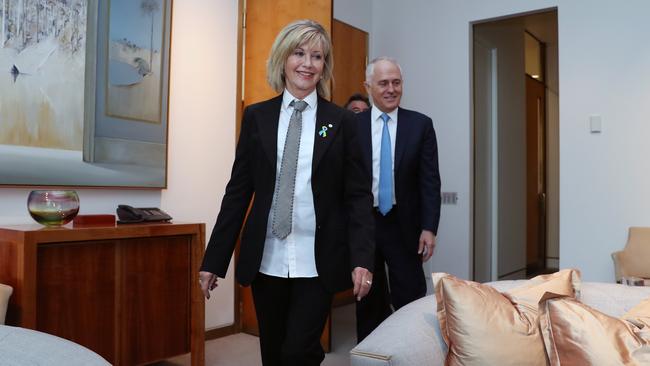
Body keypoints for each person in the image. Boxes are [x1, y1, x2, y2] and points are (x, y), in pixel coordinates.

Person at [199, 20, 375, 366]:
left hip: (318, 259)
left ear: (325, 66)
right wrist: (214, 261)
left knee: (299, 352)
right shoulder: (256, 117)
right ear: (283, 58)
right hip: (268, 260)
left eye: (317, 56)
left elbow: (358, 197)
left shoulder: (341, 123)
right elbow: (238, 192)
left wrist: (362, 259)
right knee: (274, 353)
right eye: (299, 53)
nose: (307, 64)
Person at [355, 57, 441, 342]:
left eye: (396, 82)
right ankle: (371, 358)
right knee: (368, 298)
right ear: (368, 86)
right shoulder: (350, 126)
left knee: (411, 298)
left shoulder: (421, 125)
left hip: (405, 226)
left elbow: (429, 180)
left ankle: (412, 351)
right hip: (365, 227)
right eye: (383, 83)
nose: (391, 89)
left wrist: (429, 227)